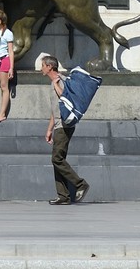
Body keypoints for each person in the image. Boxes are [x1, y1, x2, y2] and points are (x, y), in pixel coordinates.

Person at [40, 55, 89, 206]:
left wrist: (56, 85)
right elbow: (55, 109)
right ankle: (63, 196)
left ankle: (80, 184)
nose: (41, 69)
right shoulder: (54, 82)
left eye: (43, 65)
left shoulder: (60, 80)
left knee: (57, 159)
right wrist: (49, 130)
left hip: (64, 125)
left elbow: (66, 98)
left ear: (50, 67)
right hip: (58, 125)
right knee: (58, 160)